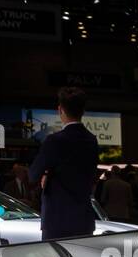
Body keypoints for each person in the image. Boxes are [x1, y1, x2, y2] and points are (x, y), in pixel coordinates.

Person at [27, 87, 99, 239]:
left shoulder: (54, 140)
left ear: (60, 110)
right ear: (83, 110)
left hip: (57, 222)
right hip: (84, 220)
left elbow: (33, 175)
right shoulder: (91, 140)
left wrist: (47, 175)